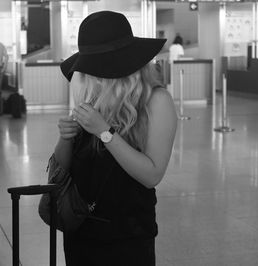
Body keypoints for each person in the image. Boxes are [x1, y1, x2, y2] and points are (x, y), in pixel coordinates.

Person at [55, 11, 177, 265]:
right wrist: (66, 138)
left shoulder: (156, 101)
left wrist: (104, 132)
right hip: (80, 232)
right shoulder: (92, 99)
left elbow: (151, 175)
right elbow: (62, 171)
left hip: (128, 235)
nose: (93, 76)